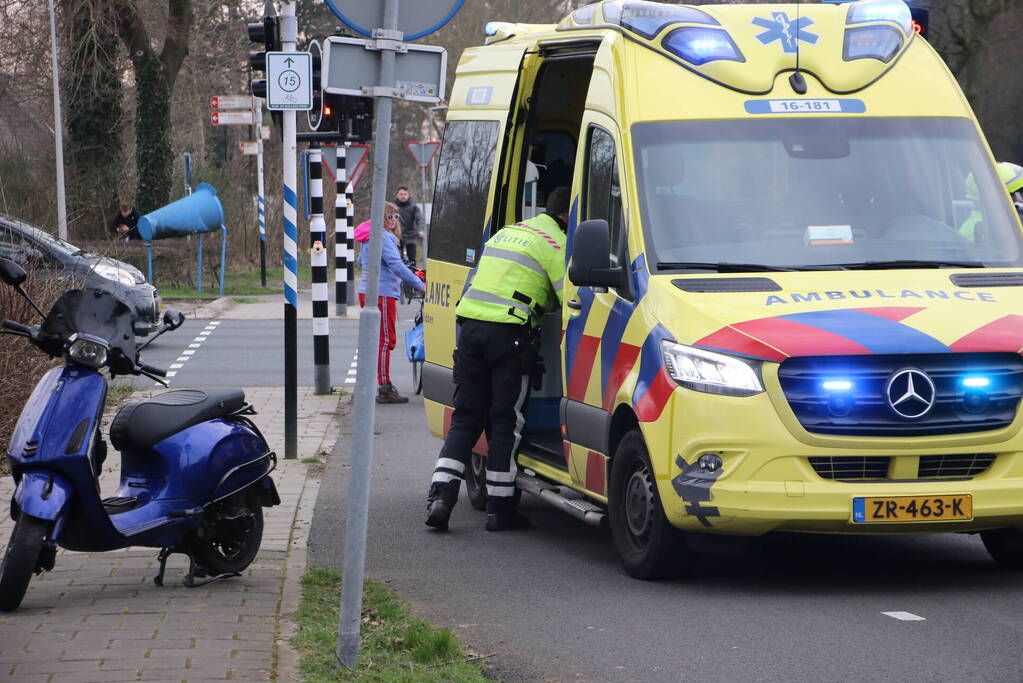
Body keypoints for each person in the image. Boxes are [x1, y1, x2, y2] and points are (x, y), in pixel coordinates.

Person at [425, 186, 570, 532]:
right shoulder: (557, 244)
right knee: (505, 420)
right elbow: (572, 300)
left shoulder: (510, 232)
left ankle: (441, 499)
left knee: (466, 417)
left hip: (471, 327)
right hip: (510, 335)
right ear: (568, 217)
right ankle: (500, 509)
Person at [356, 201, 426, 404]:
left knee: (376, 340)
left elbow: (362, 261)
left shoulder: (369, 236)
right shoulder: (384, 237)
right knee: (386, 340)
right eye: (389, 217)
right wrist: (419, 285)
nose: (394, 221)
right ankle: (384, 387)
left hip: (368, 291)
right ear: (380, 218)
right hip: (382, 293)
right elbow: (396, 266)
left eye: (396, 217)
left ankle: (375, 384)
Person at [394, 186, 425, 264]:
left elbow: (419, 219)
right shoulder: (393, 207)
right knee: (396, 258)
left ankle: (412, 273)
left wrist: (421, 229)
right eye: (401, 194)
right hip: (396, 236)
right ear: (397, 195)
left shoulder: (414, 207)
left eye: (405, 194)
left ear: (408, 195)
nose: (403, 196)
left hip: (411, 235)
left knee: (412, 258)